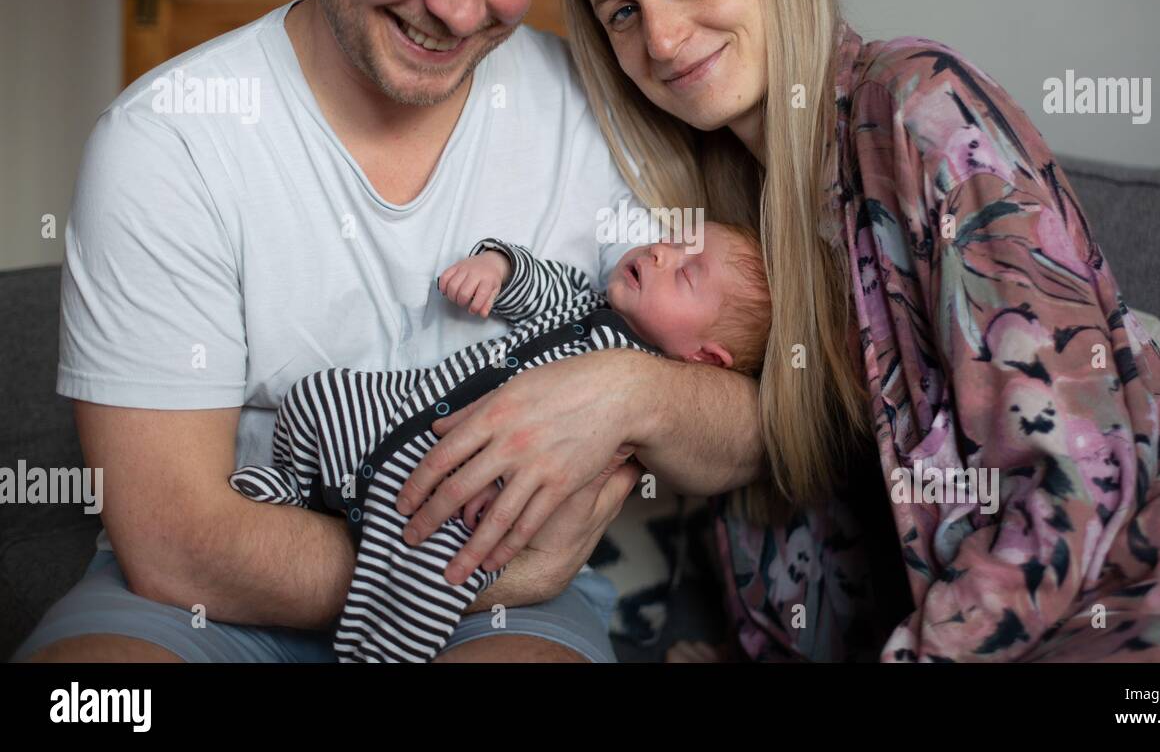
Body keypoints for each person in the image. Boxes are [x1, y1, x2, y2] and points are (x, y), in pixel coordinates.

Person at [14, 0, 766, 664]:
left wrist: (632, 393)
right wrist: (486, 572)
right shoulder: (166, 142)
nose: (456, 8)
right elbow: (174, 540)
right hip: (209, 599)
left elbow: (753, 419)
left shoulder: (599, 111)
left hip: (500, 621)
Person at [547, 0, 1160, 661]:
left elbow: (1074, 468)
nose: (659, 38)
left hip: (1158, 588)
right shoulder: (726, 234)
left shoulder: (919, 106)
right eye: (622, 11)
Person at [228, 222, 771, 662]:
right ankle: (295, 489)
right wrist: (498, 266)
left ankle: (375, 653)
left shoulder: (635, 419)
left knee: (430, 581)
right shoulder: (584, 303)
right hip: (397, 408)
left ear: (705, 358)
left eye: (686, 274)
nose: (660, 254)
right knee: (319, 396)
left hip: (463, 490)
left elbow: (570, 470)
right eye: (673, 244)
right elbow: (541, 282)